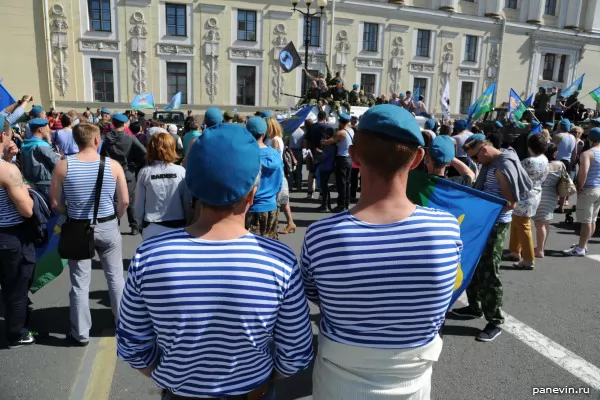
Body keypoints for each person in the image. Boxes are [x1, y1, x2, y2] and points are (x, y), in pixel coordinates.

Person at [116, 122, 313, 399]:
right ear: (252, 194)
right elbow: (296, 353)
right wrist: (264, 379)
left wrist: (172, 376)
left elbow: (132, 345)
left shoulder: (150, 255)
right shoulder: (278, 261)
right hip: (252, 391)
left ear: (193, 187)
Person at [301, 105, 462, 399]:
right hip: (413, 379)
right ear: (417, 159)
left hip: (337, 380)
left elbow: (314, 294)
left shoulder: (320, 236)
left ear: (354, 158)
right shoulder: (446, 228)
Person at [50, 123, 129, 346]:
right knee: (115, 279)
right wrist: (116, 218)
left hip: (77, 228)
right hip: (107, 225)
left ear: (76, 141)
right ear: (96, 140)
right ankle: (123, 326)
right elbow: (124, 201)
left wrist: (71, 212)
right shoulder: (113, 166)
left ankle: (81, 332)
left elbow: (55, 203)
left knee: (79, 282)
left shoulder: (63, 166)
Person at [450, 134, 532, 342]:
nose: (476, 163)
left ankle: (495, 321)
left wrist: (482, 210)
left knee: (489, 271)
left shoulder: (501, 168)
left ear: (484, 150)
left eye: (476, 158)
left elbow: (510, 202)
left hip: (494, 224)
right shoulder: (493, 162)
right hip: (484, 222)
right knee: (474, 265)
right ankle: (474, 307)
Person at [0, 115, 36, 349]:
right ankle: (17, 332)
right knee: (15, 286)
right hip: (10, 235)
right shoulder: (7, 170)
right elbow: (27, 210)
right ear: (2, 135)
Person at [135, 133, 190, 240]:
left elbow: (139, 204)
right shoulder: (181, 172)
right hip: (176, 226)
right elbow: (186, 202)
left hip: (151, 226)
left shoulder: (145, 172)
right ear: (172, 148)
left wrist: (139, 223)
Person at [506, 134, 549, 269]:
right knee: (517, 221)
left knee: (523, 225)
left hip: (524, 196)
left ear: (530, 146)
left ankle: (528, 258)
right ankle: (514, 251)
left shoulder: (528, 161)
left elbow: (516, 176)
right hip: (535, 193)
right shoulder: (544, 159)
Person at [100, 113, 147, 235]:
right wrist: (135, 164)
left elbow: (100, 155)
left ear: (112, 123)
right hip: (127, 172)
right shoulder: (129, 138)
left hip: (110, 173)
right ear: (125, 124)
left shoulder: (105, 138)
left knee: (113, 200)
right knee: (130, 201)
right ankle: (134, 226)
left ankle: (115, 224)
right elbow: (144, 152)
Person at [245, 117, 283, 239]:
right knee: (271, 247)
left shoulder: (246, 154)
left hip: (251, 207)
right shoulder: (276, 154)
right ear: (264, 133)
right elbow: (280, 183)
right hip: (271, 206)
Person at [564, 127, 600, 256]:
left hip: (589, 189)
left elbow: (582, 173)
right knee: (592, 220)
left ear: (590, 138)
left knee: (585, 221)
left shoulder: (588, 153)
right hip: (599, 189)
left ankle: (580, 248)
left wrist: (579, 188)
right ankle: (583, 244)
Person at [265, 118, 297, 234]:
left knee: (278, 199)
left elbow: (272, 156)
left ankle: (285, 223)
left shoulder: (274, 140)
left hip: (275, 173)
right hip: (279, 172)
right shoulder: (275, 138)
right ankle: (289, 223)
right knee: (282, 199)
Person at [533, 143, 563, 257]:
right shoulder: (560, 164)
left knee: (539, 223)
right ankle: (541, 247)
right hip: (552, 194)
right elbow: (563, 180)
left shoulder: (541, 164)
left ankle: (540, 250)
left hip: (540, 193)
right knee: (545, 222)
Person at [20, 118, 60, 199]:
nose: (49, 129)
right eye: (47, 127)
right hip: (45, 183)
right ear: (41, 129)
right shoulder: (41, 145)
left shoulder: (25, 143)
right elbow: (56, 162)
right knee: (54, 208)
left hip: (31, 182)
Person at [321, 113, 354, 212]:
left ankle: (341, 205)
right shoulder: (351, 131)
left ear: (340, 121)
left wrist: (323, 141)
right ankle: (346, 203)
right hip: (349, 159)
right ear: (348, 122)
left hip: (342, 159)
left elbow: (329, 142)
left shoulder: (341, 133)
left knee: (341, 183)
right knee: (347, 183)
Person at [306, 111, 328, 200]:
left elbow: (307, 140)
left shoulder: (312, 127)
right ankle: (321, 194)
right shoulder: (327, 127)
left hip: (312, 152)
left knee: (311, 173)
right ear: (324, 117)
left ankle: (309, 193)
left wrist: (307, 150)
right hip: (323, 152)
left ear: (318, 117)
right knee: (322, 173)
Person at [289, 126, 305, 192]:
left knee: (291, 169)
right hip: (299, 151)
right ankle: (299, 186)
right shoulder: (302, 132)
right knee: (299, 170)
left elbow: (286, 141)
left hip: (291, 151)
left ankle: (290, 186)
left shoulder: (290, 131)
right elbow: (303, 144)